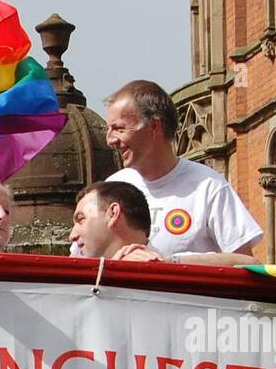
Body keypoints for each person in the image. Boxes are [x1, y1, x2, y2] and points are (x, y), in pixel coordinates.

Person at [104, 79, 263, 258]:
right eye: (109, 130)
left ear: (154, 126)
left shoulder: (208, 187)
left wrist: (171, 264)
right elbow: (80, 259)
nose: (110, 140)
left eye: (119, 128)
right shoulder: (111, 189)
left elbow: (246, 263)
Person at [68, 180, 152, 259]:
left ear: (113, 213)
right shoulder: (76, 273)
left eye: (81, 219)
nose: (72, 236)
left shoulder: (162, 266)